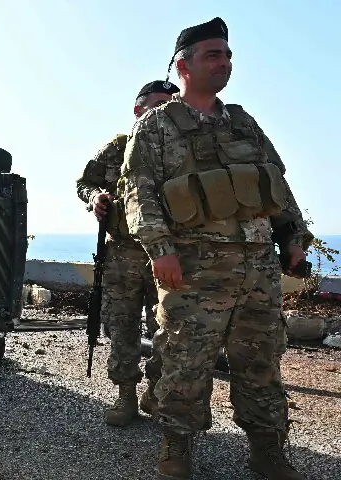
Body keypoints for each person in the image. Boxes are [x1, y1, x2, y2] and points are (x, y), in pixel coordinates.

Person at [118, 17, 310, 480]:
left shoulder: (244, 123)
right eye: (213, 55)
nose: (224, 63)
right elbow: (138, 193)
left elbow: (275, 184)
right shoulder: (157, 127)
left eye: (227, 55)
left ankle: (268, 450)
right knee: (184, 360)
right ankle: (176, 448)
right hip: (193, 269)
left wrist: (294, 237)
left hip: (257, 270)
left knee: (261, 361)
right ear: (184, 66)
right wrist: (159, 249)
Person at [76, 79, 179, 427]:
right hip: (121, 254)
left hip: (166, 254)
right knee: (121, 328)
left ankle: (155, 389)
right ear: (139, 109)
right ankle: (125, 398)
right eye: (158, 104)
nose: (166, 111)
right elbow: (83, 182)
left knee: (168, 328)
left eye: (171, 104)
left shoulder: (181, 150)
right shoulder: (116, 148)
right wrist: (95, 198)